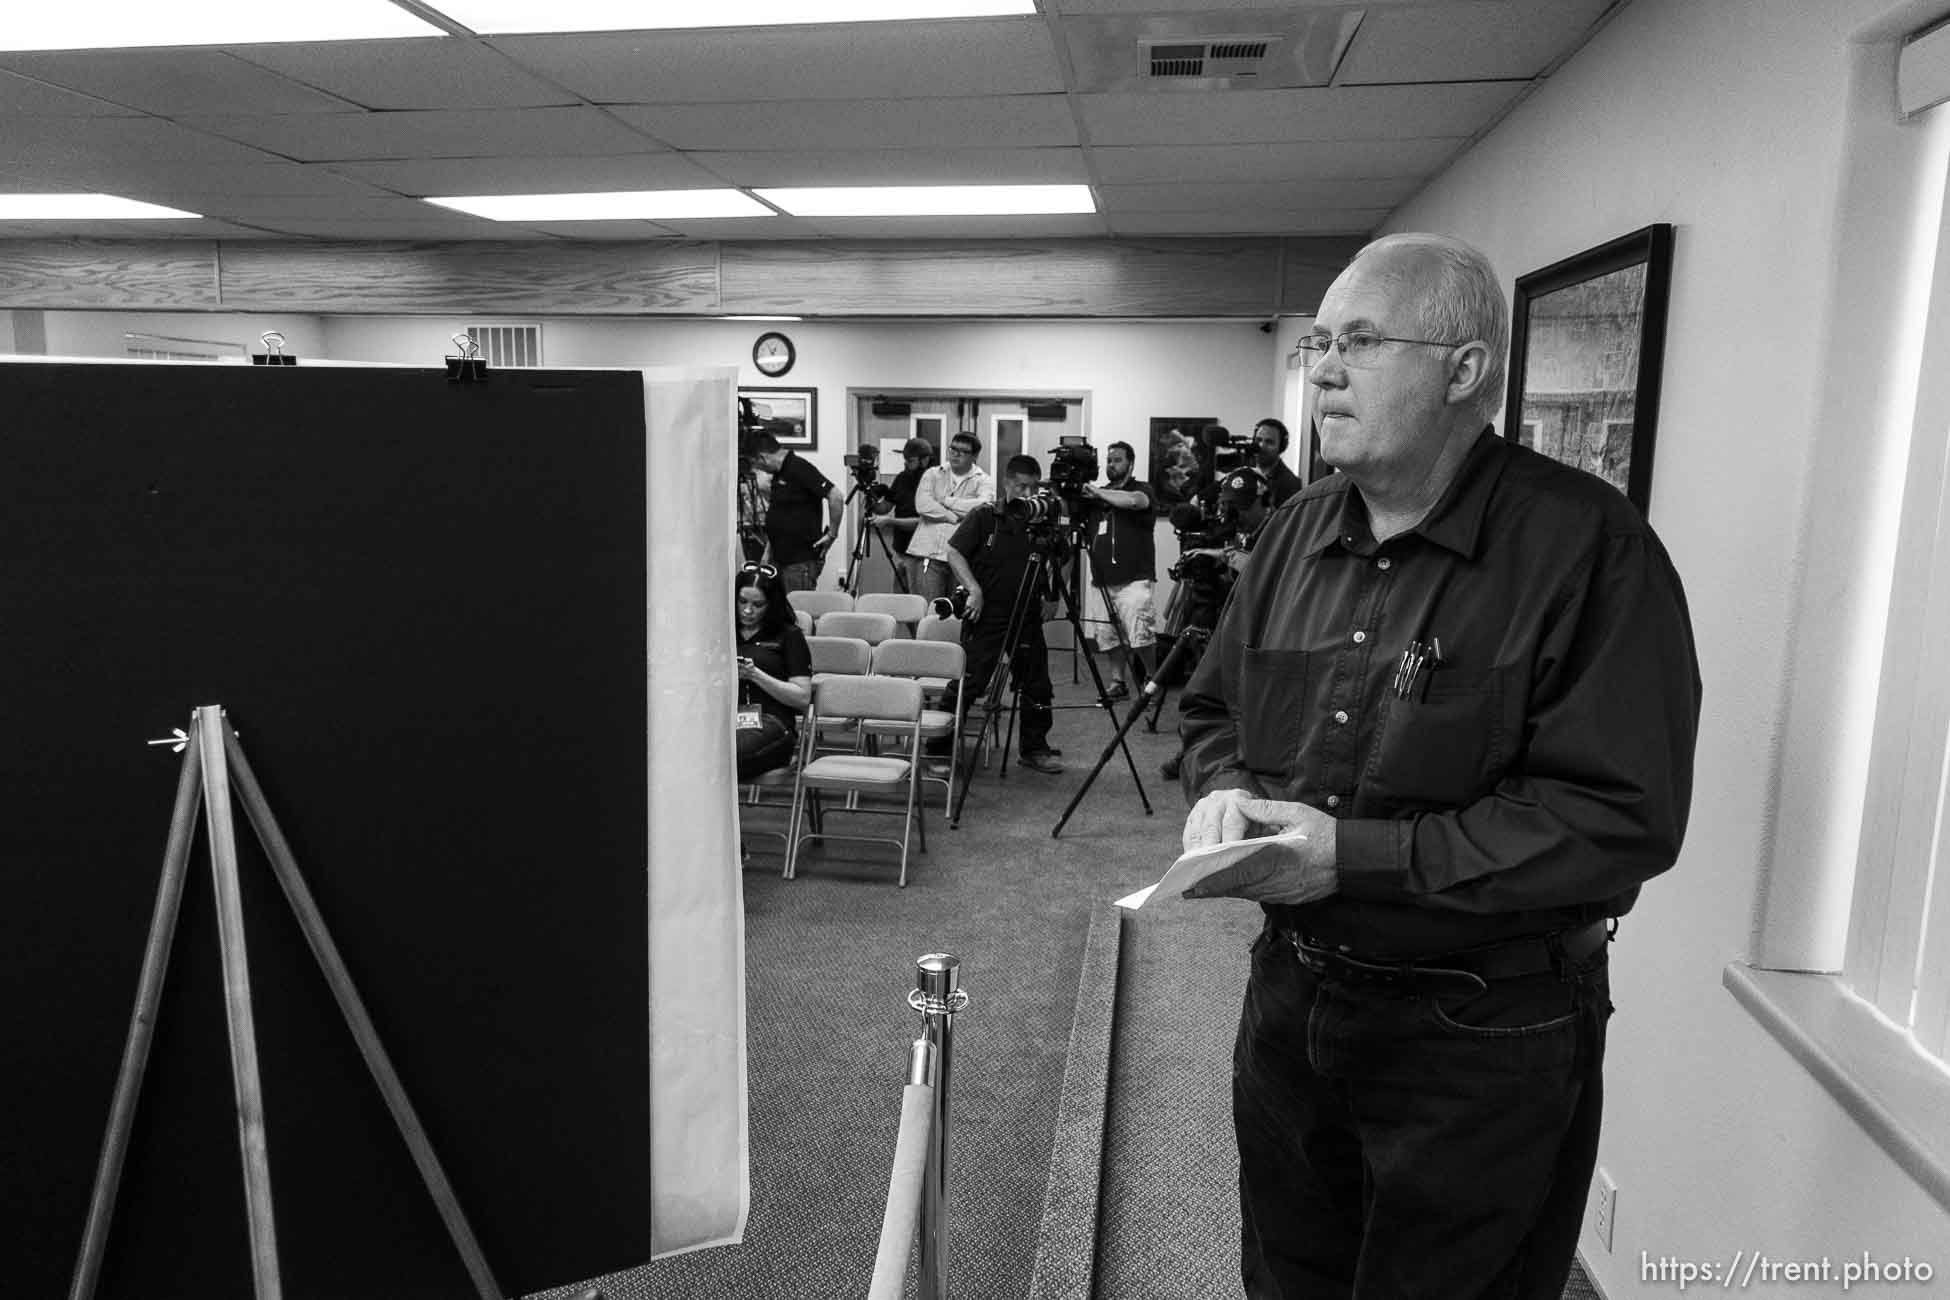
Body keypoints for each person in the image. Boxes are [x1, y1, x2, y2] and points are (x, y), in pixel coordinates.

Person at [1177, 232, 1700, 1300]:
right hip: (1293, 999)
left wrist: (1353, 859)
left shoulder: (1588, 550)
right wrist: (1226, 785)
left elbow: (1614, 817)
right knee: (1286, 1278)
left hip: (1483, 1033)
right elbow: (1212, 710)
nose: (1322, 367)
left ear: (1465, 370)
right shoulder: (1290, 535)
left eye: (1360, 341)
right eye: (1320, 340)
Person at [937, 454, 1063, 775]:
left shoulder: (1039, 521)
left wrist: (1052, 595)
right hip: (988, 611)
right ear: (1006, 483)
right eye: (1021, 486)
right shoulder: (985, 516)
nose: (1027, 493)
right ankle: (939, 748)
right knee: (972, 680)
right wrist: (974, 590)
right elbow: (953, 552)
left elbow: (1056, 557)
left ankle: (1034, 748)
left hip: (1027, 612)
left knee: (1036, 683)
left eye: (1033, 487)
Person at [1080, 440, 1157, 699]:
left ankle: (1152, 678)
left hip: (1134, 578)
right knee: (1109, 635)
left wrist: (1097, 493)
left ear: (1130, 463)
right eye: (1109, 460)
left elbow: (1135, 502)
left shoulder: (1141, 488)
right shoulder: (1096, 495)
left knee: (1140, 634)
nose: (1111, 464)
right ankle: (1118, 682)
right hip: (1102, 580)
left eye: (1118, 460)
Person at [733, 563, 813, 782]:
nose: (748, 610)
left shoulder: (789, 636)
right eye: (742, 602)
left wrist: (755, 675)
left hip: (772, 723)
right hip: (727, 720)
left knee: (724, 757)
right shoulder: (723, 631)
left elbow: (802, 697)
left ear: (771, 604)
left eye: (758, 604)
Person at [751, 432, 843, 593]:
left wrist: (832, 534)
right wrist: (767, 553)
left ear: (762, 457)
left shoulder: (799, 467)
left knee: (798, 614)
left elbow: (836, 496)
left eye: (757, 465)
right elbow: (780, 516)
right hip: (779, 559)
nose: (760, 470)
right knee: (780, 613)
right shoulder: (779, 473)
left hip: (799, 563)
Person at [908, 432, 993, 602]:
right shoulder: (933, 474)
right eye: (953, 449)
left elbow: (983, 508)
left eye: (963, 451)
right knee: (929, 611)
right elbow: (923, 505)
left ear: (974, 456)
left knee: (958, 614)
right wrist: (951, 516)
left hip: (963, 558)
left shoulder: (983, 480)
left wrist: (946, 500)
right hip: (930, 556)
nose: (955, 454)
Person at [873, 436, 935, 592]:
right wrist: (871, 497)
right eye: (905, 460)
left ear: (925, 460)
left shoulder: (934, 482)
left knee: (916, 600)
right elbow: (885, 507)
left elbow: (923, 522)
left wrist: (889, 521)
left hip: (921, 554)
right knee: (899, 599)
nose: (906, 464)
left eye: (911, 460)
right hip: (901, 550)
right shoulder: (902, 478)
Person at [1249, 417, 1306, 506]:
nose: (1261, 446)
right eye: (1258, 440)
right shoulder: (1243, 466)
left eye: (1269, 442)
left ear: (1281, 447)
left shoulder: (1290, 483)